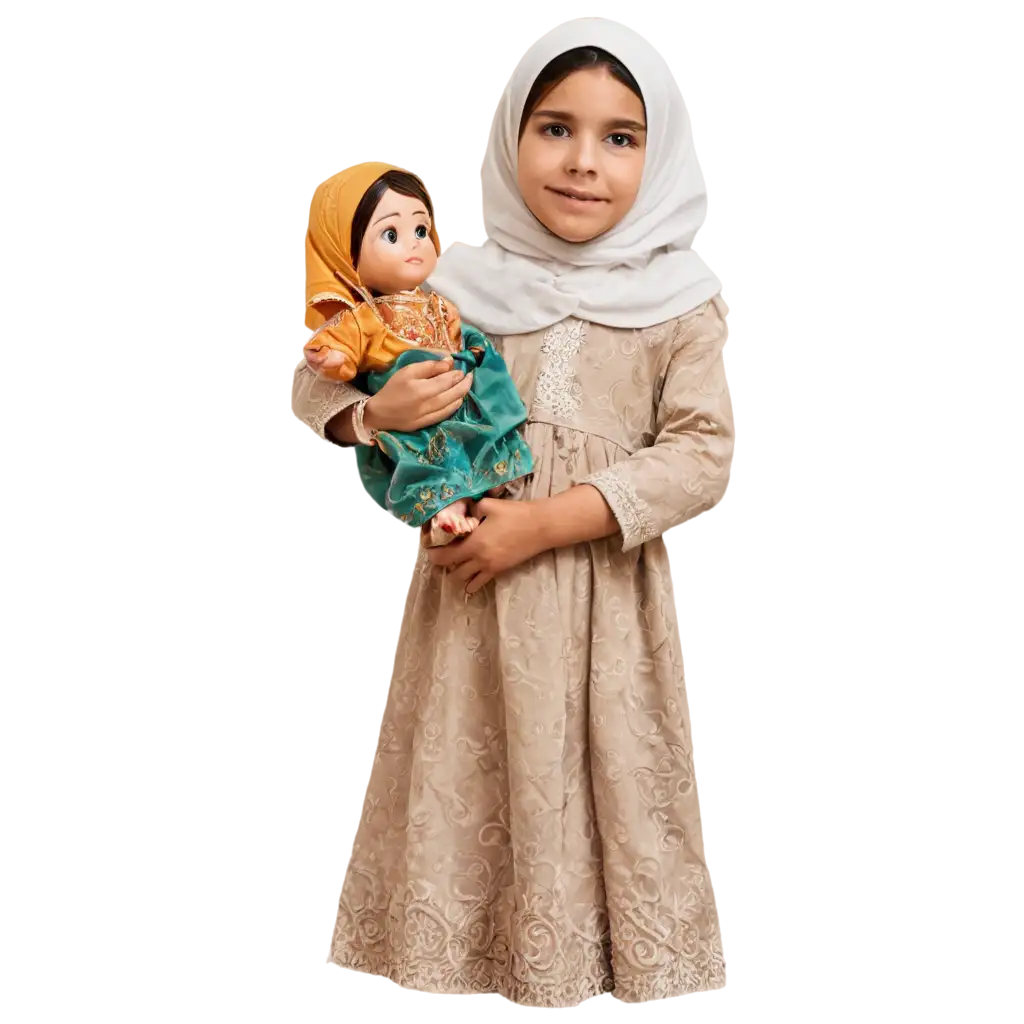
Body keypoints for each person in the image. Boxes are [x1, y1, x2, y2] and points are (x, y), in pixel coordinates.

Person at [291, 14, 734, 1009]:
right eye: (555, 128)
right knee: (474, 790)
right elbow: (313, 379)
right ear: (509, 136)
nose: (583, 163)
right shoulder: (447, 285)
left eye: (621, 138)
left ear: (659, 155)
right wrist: (374, 412)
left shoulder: (682, 301)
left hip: (599, 616)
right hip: (471, 621)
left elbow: (701, 452)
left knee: (600, 798)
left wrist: (542, 522)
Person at [302, 160, 533, 548]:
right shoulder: (364, 317)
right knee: (426, 445)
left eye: (421, 230)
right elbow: (343, 350)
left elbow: (455, 332)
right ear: (347, 255)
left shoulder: (440, 301)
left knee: (480, 409)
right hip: (409, 401)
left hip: (453, 384)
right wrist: (334, 361)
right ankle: (445, 504)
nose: (413, 243)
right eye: (391, 234)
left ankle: (492, 476)